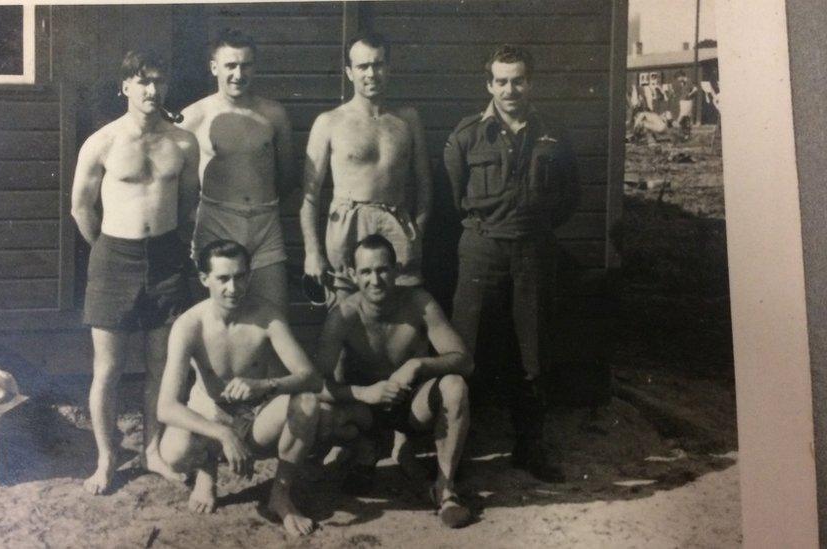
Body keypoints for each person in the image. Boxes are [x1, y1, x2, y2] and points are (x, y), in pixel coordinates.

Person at [443, 45, 580, 484]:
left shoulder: (553, 134)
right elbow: (454, 199)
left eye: (518, 80)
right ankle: (458, 453)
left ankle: (529, 448)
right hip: (482, 251)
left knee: (533, 352)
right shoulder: (467, 136)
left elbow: (570, 197)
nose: (510, 89)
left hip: (533, 253)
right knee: (469, 350)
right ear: (489, 85)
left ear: (530, 83)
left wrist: (531, 229)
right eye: (501, 81)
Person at [71, 49, 200, 495]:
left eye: (159, 81)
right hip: (113, 259)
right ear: (125, 86)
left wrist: (171, 251)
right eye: (143, 81)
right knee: (107, 369)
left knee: (160, 365)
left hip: (166, 258)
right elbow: (81, 208)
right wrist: (107, 250)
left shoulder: (183, 143)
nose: (152, 90)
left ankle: (152, 451)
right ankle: (106, 459)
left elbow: (187, 208)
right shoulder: (103, 141)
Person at [154, 239, 322, 537]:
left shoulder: (266, 316)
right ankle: (207, 469)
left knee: (307, 402)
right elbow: (165, 407)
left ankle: (280, 494)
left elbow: (311, 378)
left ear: (249, 275)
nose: (233, 288)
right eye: (223, 278)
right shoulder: (189, 325)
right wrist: (223, 432)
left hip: (256, 417)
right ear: (205, 279)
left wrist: (265, 384)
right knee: (173, 453)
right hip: (211, 416)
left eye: (240, 276)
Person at [315, 235, 474, 529]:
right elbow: (315, 384)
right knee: (320, 412)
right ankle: (366, 451)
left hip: (410, 406)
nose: (375, 280)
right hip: (365, 411)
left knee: (455, 386)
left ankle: (444, 487)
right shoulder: (343, 316)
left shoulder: (419, 303)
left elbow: (464, 361)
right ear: (352, 274)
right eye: (365, 272)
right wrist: (365, 393)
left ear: (397, 269)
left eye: (383, 270)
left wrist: (417, 364)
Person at [301, 30, 432, 302]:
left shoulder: (407, 120)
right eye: (362, 66)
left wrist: (416, 231)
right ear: (349, 72)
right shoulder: (329, 122)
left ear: (389, 68)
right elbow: (310, 196)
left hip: (396, 225)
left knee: (404, 315)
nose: (371, 74)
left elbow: (425, 184)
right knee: (347, 313)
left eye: (378, 64)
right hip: (347, 226)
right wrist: (312, 252)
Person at [179, 29, 296, 310]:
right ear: (214, 67)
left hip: (265, 223)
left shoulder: (274, 114)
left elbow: (288, 178)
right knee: (216, 319)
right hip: (217, 221)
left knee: (273, 315)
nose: (238, 74)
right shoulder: (193, 117)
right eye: (230, 65)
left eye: (246, 65)